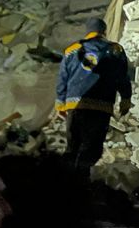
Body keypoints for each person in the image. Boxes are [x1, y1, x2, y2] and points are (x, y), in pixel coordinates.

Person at [55, 17, 132, 172]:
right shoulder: (115, 49)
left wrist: (60, 104)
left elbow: (63, 78)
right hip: (101, 106)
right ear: (104, 31)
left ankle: (65, 181)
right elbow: (122, 77)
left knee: (73, 146)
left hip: (76, 105)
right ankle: (82, 179)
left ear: (87, 31)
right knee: (92, 148)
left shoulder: (71, 50)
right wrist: (125, 99)